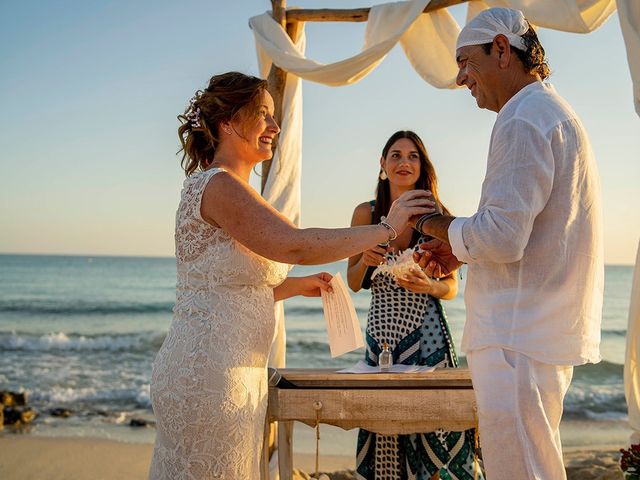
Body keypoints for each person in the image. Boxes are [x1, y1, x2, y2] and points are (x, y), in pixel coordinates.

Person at [148, 71, 435, 479]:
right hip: (210, 374)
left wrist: (296, 287)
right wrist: (387, 228)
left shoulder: (228, 188)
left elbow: (226, 286)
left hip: (227, 368)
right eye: (263, 114)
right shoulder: (220, 185)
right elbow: (295, 244)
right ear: (228, 123)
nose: (275, 126)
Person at [413, 8, 604, 480]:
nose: (460, 79)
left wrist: (431, 223)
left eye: (464, 61)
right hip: (535, 333)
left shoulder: (522, 119)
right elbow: (526, 234)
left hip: (514, 338)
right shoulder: (553, 112)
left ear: (501, 49)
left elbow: (500, 237)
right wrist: (460, 248)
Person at [347, 130, 483, 480]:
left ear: (422, 166)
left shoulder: (437, 215)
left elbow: (451, 287)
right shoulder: (367, 213)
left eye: (412, 156)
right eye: (395, 155)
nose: (404, 162)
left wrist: (430, 285)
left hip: (429, 335)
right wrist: (367, 257)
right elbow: (353, 282)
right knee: (385, 425)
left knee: (437, 429)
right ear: (383, 165)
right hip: (382, 338)